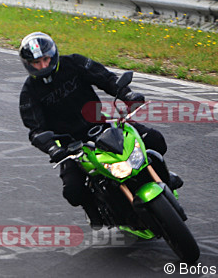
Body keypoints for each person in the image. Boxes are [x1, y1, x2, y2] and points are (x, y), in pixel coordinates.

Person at [17, 31, 179, 228]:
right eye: (37, 63)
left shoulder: (74, 63)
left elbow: (105, 78)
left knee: (154, 139)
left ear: (53, 54)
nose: (43, 65)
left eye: (45, 59)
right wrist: (52, 148)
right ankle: (92, 209)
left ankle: (165, 178)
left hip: (103, 125)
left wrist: (127, 94)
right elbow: (35, 130)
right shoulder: (29, 93)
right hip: (71, 146)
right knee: (73, 191)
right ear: (28, 64)